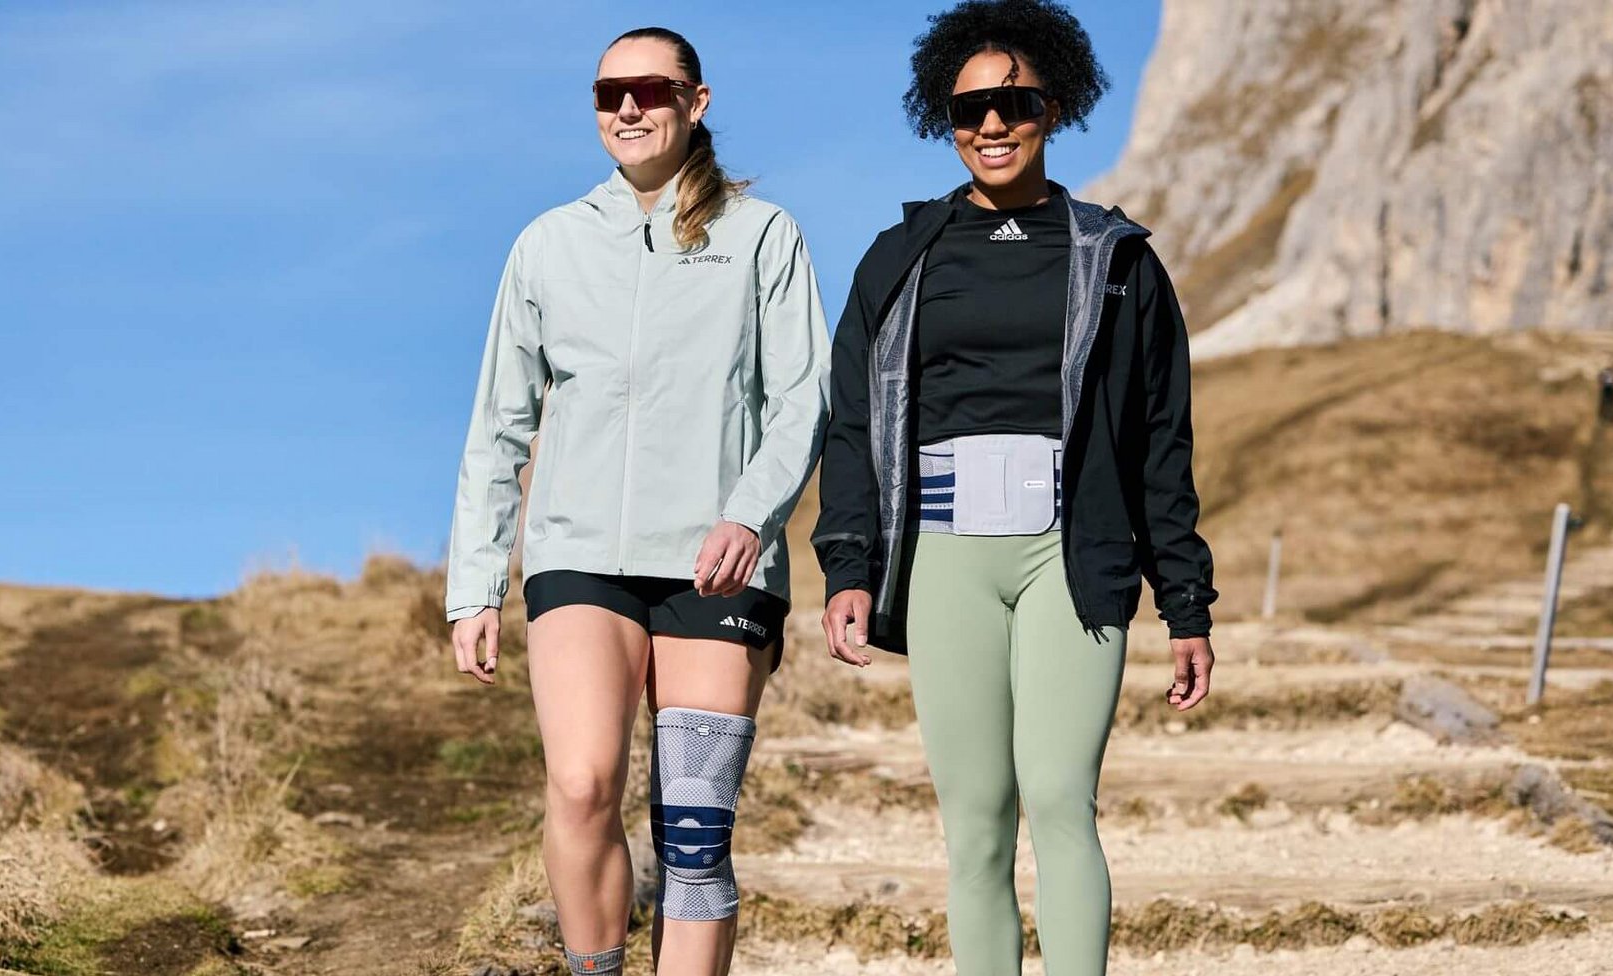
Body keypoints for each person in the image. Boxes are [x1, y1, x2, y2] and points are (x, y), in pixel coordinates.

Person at [810, 2, 1218, 973]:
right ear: (942, 120)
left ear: (1054, 105)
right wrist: (849, 565)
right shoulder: (899, 260)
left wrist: (1187, 601)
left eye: (1015, 102)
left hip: (1071, 557)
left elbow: (1162, 440)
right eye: (968, 110)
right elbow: (854, 426)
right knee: (978, 823)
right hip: (947, 558)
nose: (991, 125)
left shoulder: (1117, 260)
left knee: (1060, 796)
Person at [444, 26, 828, 976]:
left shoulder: (761, 236)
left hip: (716, 564)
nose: (627, 107)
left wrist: (751, 514)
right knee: (580, 787)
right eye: (608, 92)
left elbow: (804, 399)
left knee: (694, 830)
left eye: (652, 90)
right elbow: (499, 425)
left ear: (696, 103)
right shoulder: (548, 245)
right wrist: (475, 584)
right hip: (580, 561)